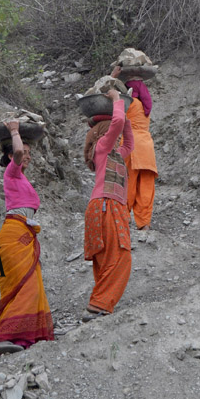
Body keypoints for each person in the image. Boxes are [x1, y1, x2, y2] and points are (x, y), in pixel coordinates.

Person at [0, 119, 54, 354]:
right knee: (23, 286)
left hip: (23, 234)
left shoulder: (21, 179)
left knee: (31, 285)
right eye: (24, 152)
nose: (27, 156)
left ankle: (25, 336)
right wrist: (14, 130)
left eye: (29, 153)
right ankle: (4, 336)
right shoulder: (11, 173)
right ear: (10, 155)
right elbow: (15, 152)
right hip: (14, 235)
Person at [82, 88, 134, 319]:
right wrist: (116, 100)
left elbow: (129, 143)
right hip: (106, 205)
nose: (119, 137)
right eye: (115, 133)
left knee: (106, 260)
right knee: (121, 257)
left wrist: (126, 120)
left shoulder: (115, 154)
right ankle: (99, 304)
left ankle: (99, 305)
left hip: (107, 206)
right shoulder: (102, 148)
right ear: (103, 134)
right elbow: (118, 122)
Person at [111, 65, 157, 237]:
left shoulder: (130, 103)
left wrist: (113, 78)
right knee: (146, 186)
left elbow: (110, 102)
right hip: (147, 148)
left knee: (127, 183)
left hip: (130, 145)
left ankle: (123, 219)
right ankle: (144, 224)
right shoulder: (146, 107)